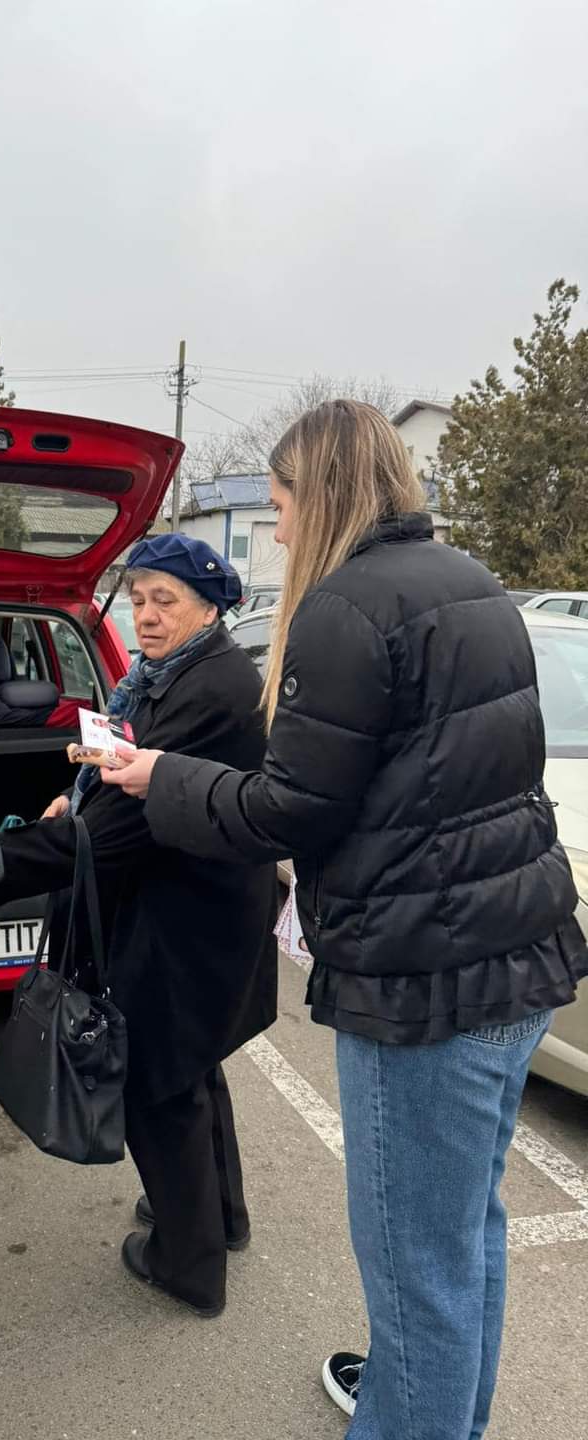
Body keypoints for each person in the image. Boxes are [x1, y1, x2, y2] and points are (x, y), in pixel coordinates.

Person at [104, 402, 588, 1438]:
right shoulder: (471, 582)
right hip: (521, 955)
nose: (276, 529)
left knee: (417, 1266)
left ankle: (414, 1418)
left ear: (319, 492)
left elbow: (291, 810)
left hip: (425, 984)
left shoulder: (344, 608)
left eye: (280, 502)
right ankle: (442, 1415)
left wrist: (159, 776)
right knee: (465, 1236)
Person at [0, 534, 278, 1319]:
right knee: (192, 1068)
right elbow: (116, 773)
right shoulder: (167, 672)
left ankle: (186, 1266)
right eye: (140, 599)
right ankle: (218, 1216)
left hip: (188, 916)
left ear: (210, 608)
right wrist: (75, 792)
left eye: (165, 601)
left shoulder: (210, 689)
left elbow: (116, 832)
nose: (146, 617)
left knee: (157, 1083)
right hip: (187, 905)